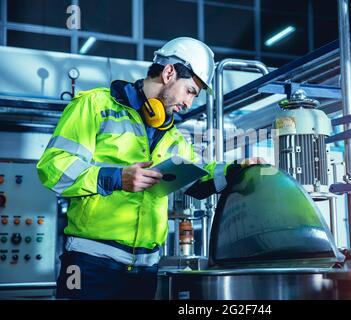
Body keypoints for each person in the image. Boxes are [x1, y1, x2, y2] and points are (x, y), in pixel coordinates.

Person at [36, 37, 263, 300]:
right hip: (90, 265)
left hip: (144, 273)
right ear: (169, 73)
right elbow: (53, 167)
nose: (189, 103)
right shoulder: (96, 107)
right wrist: (116, 177)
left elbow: (198, 181)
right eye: (190, 91)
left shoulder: (172, 137)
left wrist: (237, 169)